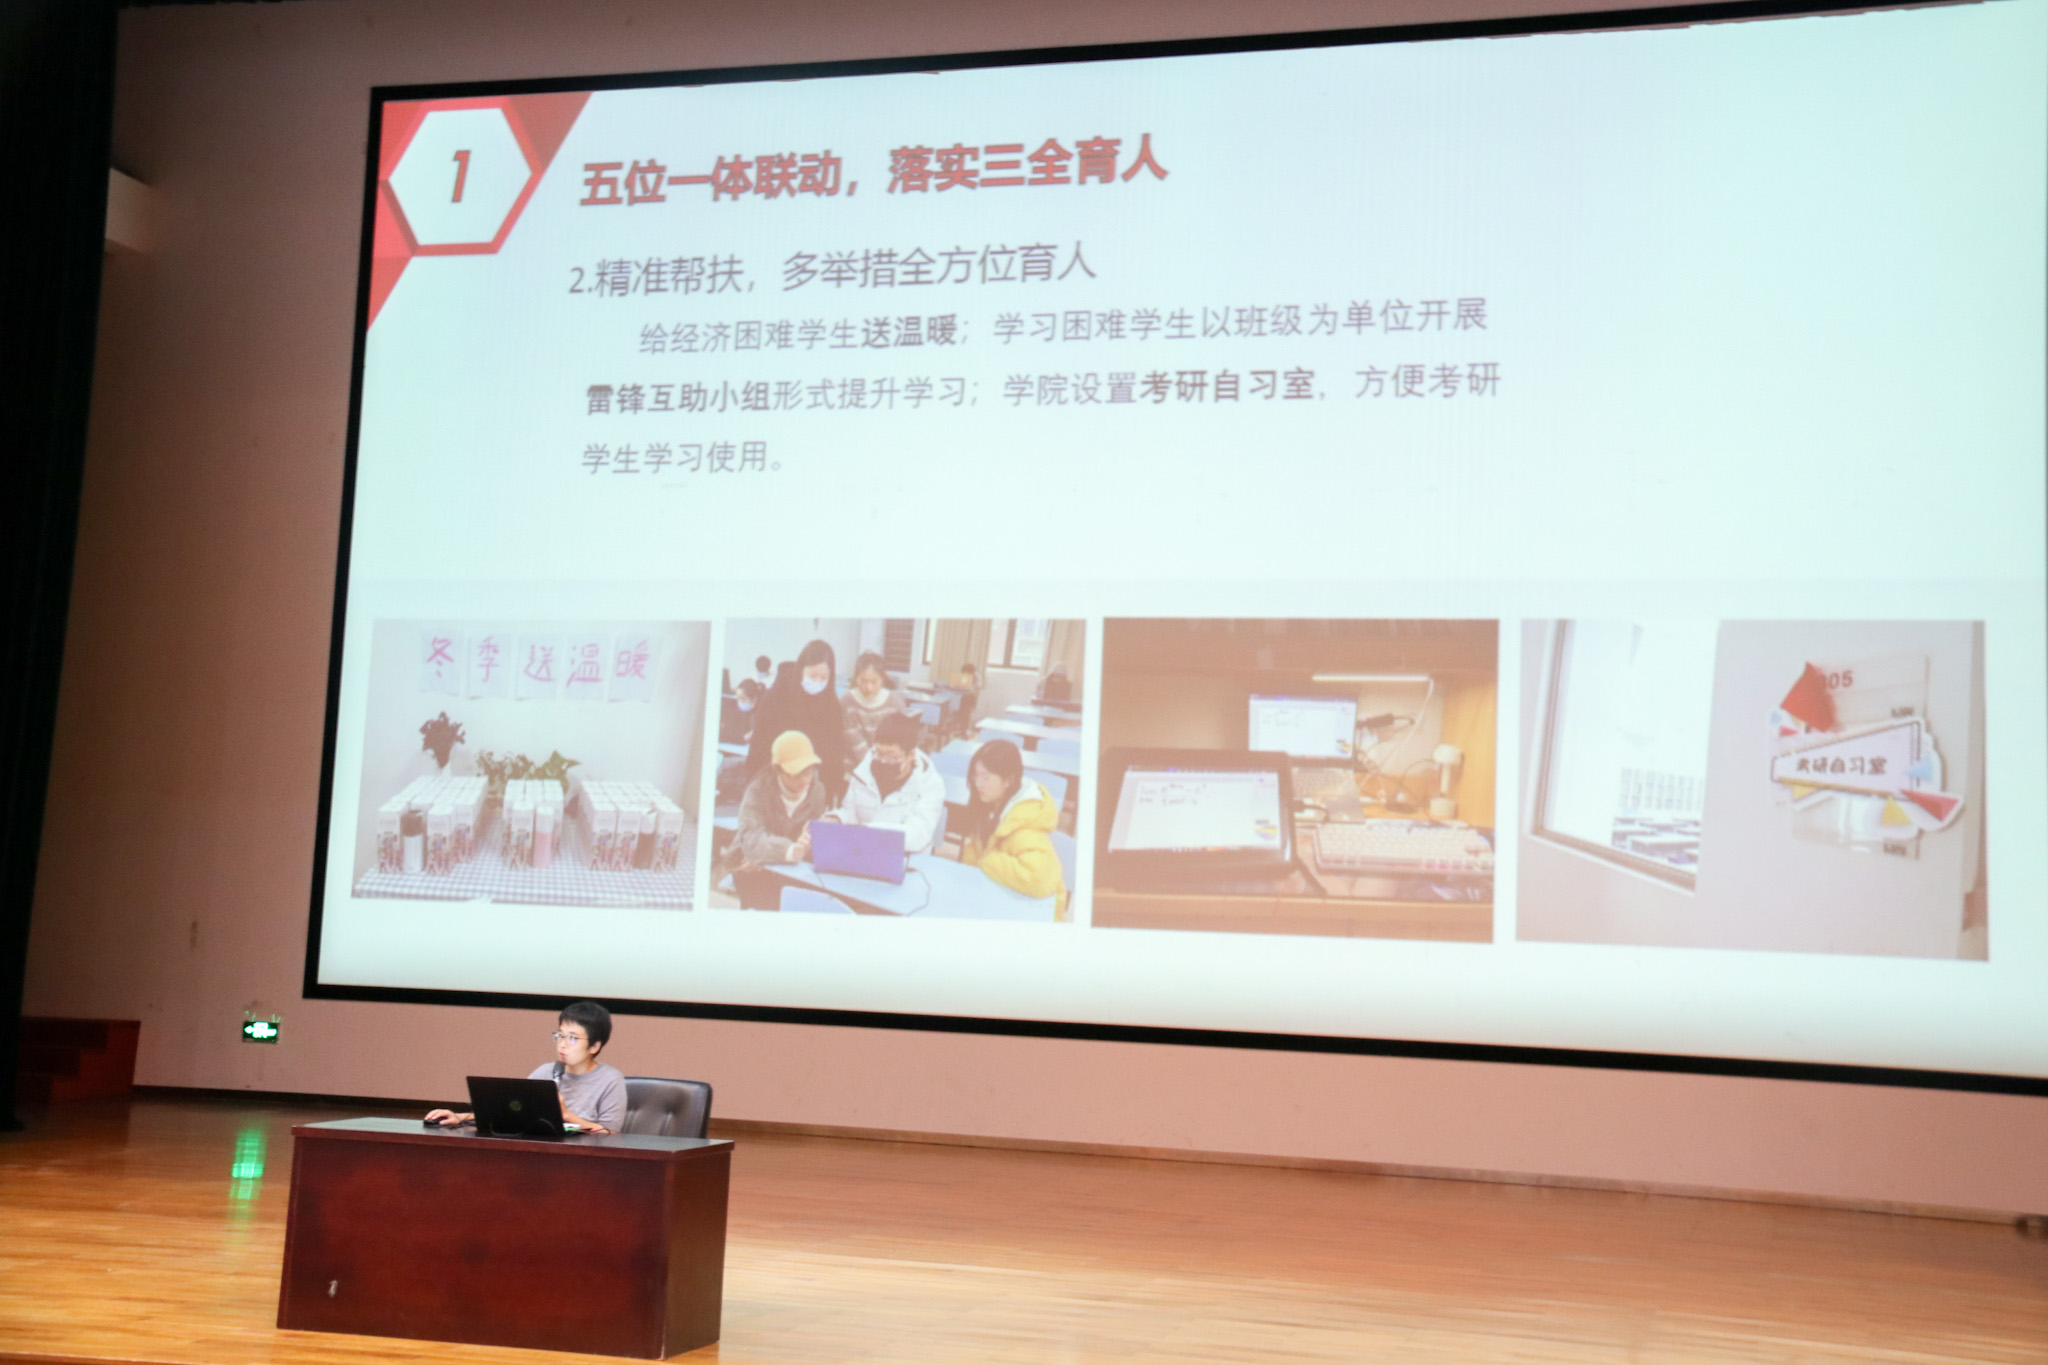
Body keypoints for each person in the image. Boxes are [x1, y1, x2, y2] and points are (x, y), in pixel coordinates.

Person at [424, 1000, 628, 1133]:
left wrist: (566, 1115)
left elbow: (611, 1135)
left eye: (572, 1038)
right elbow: (510, 1112)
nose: (562, 1044)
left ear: (594, 1046)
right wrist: (459, 1117)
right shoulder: (547, 1072)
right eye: (560, 1035)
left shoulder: (610, 1080)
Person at [959, 739, 1067, 916]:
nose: (977, 783)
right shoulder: (990, 805)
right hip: (1000, 897)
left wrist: (986, 861)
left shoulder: (1025, 826)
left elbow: (1039, 880)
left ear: (1008, 780)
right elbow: (976, 849)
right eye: (975, 775)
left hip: (1036, 915)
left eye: (985, 777)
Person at [727, 730, 832, 909]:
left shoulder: (817, 791)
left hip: (793, 869)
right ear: (778, 770)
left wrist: (810, 840)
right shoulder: (757, 790)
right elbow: (752, 839)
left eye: (808, 771)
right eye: (797, 773)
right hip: (753, 866)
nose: (805, 779)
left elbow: (811, 840)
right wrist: (788, 850)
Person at [824, 711, 946, 855]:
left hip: (906, 858)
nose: (883, 761)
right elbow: (851, 813)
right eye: (879, 753)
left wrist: (870, 831)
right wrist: (837, 819)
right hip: (863, 850)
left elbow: (917, 835)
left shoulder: (930, 785)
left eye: (891, 756)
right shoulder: (864, 772)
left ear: (911, 755)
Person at [745, 639, 846, 796]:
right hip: (773, 783)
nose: (817, 682)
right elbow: (760, 744)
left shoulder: (831, 705)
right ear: (801, 670)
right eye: (813, 675)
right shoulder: (778, 695)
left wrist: (829, 790)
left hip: (813, 789)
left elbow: (834, 754)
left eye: (824, 678)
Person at [841, 651, 907, 769]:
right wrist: (872, 768)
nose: (869, 688)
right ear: (856, 679)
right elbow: (855, 744)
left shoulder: (895, 703)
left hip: (888, 765)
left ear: (882, 679)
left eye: (874, 682)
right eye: (863, 681)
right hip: (853, 768)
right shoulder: (846, 702)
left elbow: (901, 741)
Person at [719, 677, 762, 745]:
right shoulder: (739, 711)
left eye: (742, 699)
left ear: (754, 698)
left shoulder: (760, 715)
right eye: (737, 698)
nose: (738, 702)